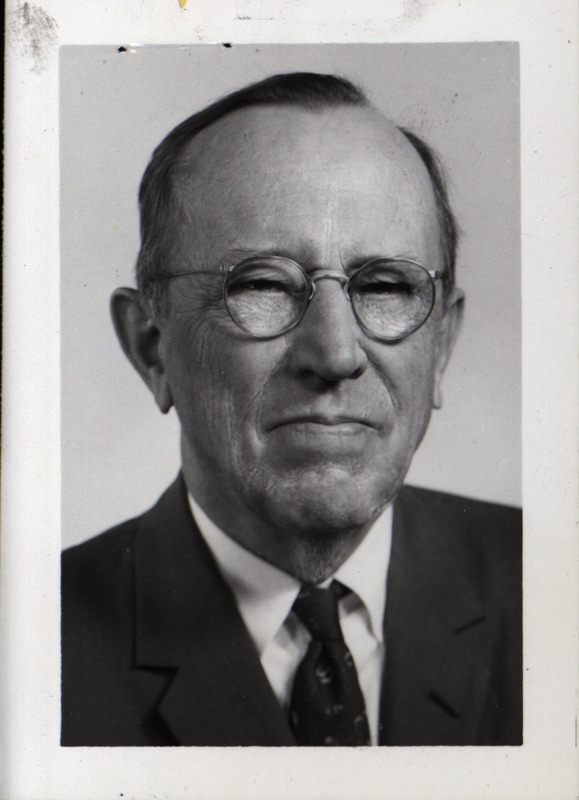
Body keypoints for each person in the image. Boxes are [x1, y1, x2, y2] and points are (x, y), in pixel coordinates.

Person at [61, 72, 522, 747]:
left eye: (386, 285)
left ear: (441, 345)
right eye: (262, 285)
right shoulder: (32, 642)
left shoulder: (551, 588)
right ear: (152, 347)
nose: (334, 353)